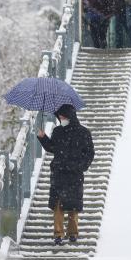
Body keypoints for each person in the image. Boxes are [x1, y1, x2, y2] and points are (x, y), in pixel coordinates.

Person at [37, 104, 95, 245]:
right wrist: (43, 137)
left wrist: (80, 166)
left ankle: (73, 232)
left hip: (74, 175)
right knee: (58, 205)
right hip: (59, 173)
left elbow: (89, 153)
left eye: (63, 117)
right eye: (60, 117)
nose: (61, 119)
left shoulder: (83, 133)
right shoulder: (57, 131)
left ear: (70, 117)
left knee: (73, 206)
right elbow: (52, 148)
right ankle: (58, 234)